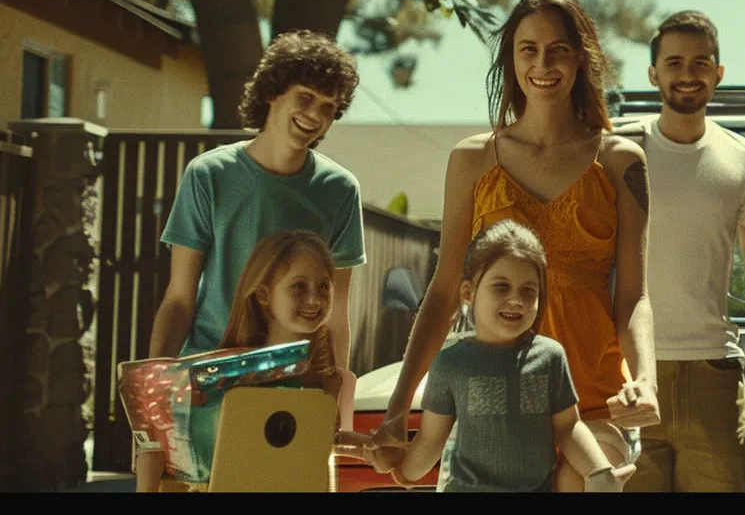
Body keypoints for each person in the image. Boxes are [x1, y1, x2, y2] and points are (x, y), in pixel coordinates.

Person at [377, 0, 655, 492]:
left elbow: (633, 294)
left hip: (590, 399)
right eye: (528, 49)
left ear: (581, 57)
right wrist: (398, 409)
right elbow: (443, 293)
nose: (543, 63)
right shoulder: (472, 159)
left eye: (558, 49)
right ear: (511, 58)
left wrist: (646, 381)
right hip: (495, 403)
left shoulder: (620, 161)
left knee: (585, 480)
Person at [149, 30, 366, 373]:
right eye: (306, 97)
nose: (315, 114)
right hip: (210, 370)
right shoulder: (209, 174)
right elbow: (179, 298)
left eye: (328, 106)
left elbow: (337, 313)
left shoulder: (340, 189)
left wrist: (334, 396)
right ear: (271, 92)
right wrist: (155, 384)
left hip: (292, 375)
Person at [614, 11, 745, 492]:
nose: (687, 73)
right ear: (654, 74)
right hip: (627, 371)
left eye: (701, 62)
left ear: (718, 73)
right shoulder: (618, 148)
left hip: (713, 374)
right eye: (674, 62)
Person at [368, 220, 636, 492]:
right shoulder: (450, 363)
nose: (516, 300)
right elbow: (431, 440)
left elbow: (568, 428)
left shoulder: (550, 357)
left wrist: (599, 471)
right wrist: (403, 472)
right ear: (468, 294)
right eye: (501, 287)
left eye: (528, 291)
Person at [135, 230, 368, 492]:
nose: (314, 299)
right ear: (263, 294)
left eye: (324, 285)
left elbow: (323, 449)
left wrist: (370, 451)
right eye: (299, 286)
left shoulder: (329, 380)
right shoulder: (219, 379)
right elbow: (178, 460)